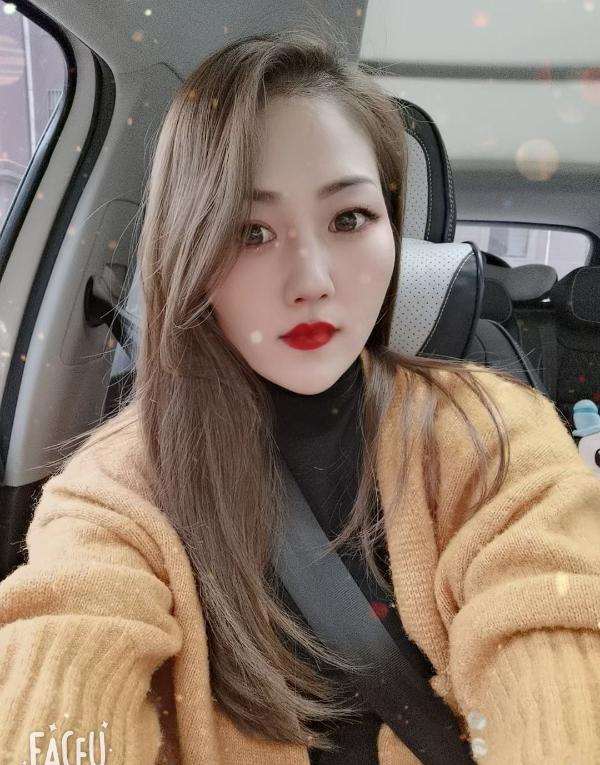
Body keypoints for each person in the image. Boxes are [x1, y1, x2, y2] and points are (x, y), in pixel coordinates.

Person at [1, 29, 599, 765]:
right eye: (251, 231)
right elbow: (68, 663)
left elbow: (553, 636)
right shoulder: (116, 489)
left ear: (392, 229)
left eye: (349, 219)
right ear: (189, 253)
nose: (312, 279)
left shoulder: (497, 435)